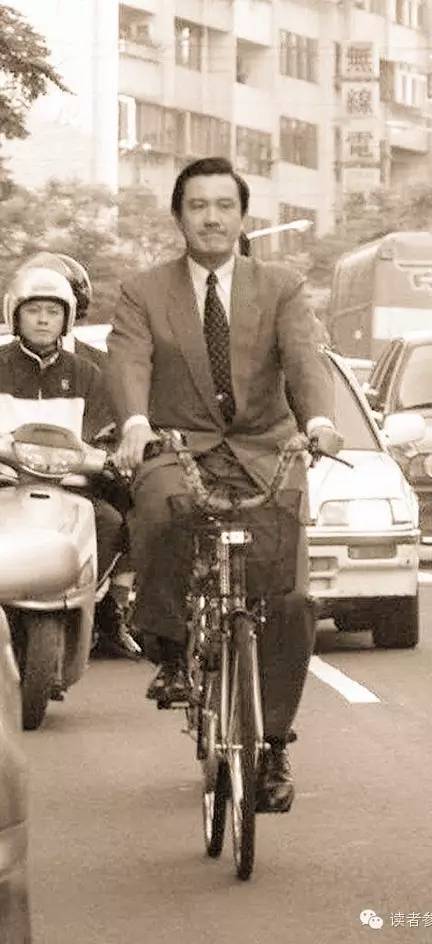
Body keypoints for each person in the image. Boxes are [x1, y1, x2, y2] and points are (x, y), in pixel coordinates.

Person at [106, 156, 342, 814]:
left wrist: (319, 421)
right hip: (177, 445)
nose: (211, 217)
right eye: (197, 205)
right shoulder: (143, 290)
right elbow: (129, 360)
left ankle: (274, 746)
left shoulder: (282, 286)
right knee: (160, 510)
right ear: (179, 217)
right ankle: (171, 648)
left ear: (242, 217)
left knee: (289, 600)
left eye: (224, 205)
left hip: (267, 451)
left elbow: (303, 357)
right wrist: (134, 423)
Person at [0, 264, 136, 654]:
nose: (43, 319)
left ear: (67, 318)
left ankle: (106, 606)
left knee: (114, 521)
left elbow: (107, 432)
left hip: (70, 489)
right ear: (15, 315)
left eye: (53, 311)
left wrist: (110, 458)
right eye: (33, 310)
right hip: (6, 483)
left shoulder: (88, 374)